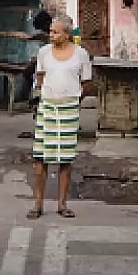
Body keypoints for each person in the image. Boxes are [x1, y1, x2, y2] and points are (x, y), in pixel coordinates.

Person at [28, 15, 94, 220]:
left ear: (67, 34)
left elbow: (86, 82)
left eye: (55, 32)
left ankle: (62, 204)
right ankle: (37, 204)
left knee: (65, 160)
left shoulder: (81, 54)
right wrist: (44, 96)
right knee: (40, 158)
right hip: (47, 108)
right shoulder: (44, 52)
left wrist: (72, 97)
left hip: (69, 109)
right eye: (50, 31)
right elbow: (40, 78)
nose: (51, 35)